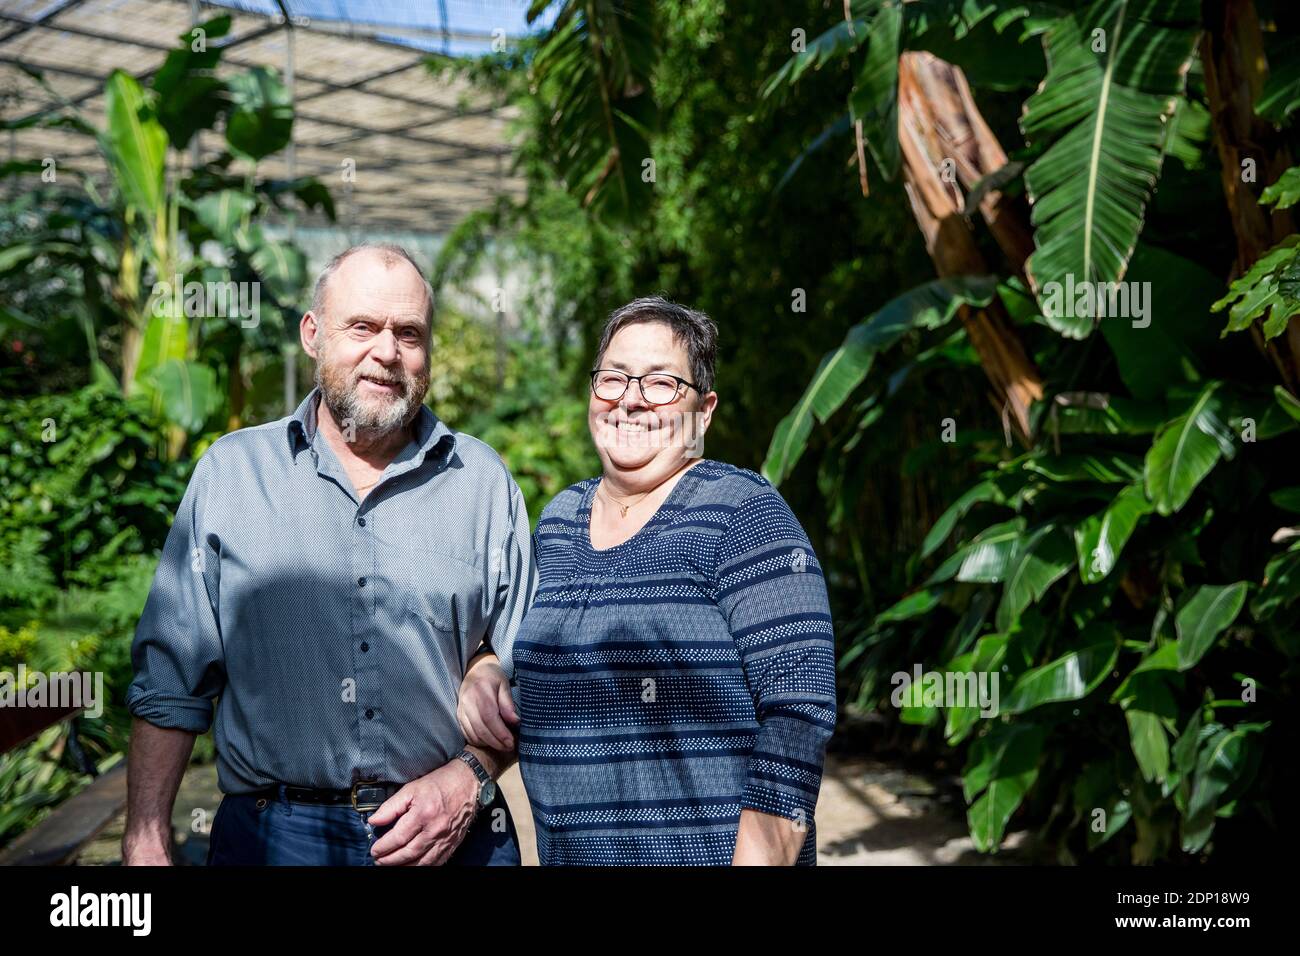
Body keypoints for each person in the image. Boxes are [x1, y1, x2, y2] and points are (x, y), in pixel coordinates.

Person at [122, 243, 535, 866]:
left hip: (452, 834)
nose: (387, 352)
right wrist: (147, 837)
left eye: (409, 333)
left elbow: (535, 666)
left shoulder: (480, 483)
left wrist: (469, 775)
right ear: (312, 334)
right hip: (274, 840)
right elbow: (171, 676)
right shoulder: (233, 475)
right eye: (362, 327)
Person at [458, 295, 837, 865]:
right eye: (613, 377)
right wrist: (484, 665)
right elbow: (515, 653)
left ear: (703, 411)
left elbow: (797, 713)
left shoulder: (743, 513)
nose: (630, 399)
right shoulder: (559, 521)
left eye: (661, 383)